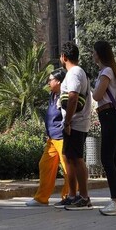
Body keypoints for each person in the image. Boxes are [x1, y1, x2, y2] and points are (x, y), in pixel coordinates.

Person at [91, 40, 116, 216]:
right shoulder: (108, 71)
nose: (92, 55)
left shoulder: (106, 71)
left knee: (107, 158)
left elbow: (98, 95)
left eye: (94, 52)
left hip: (109, 116)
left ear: (99, 53)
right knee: (115, 158)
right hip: (109, 116)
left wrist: (93, 90)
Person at [54, 42, 93, 211]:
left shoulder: (75, 72)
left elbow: (73, 97)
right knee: (69, 158)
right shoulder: (73, 73)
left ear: (64, 57)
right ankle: (72, 196)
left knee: (76, 158)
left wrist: (68, 121)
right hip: (71, 122)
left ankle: (84, 197)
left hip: (76, 122)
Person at [26, 68, 70, 206]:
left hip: (62, 137)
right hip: (52, 138)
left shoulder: (65, 95)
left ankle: (68, 197)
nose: (48, 82)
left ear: (58, 81)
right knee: (44, 165)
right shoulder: (52, 94)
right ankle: (41, 198)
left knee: (68, 169)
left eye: (50, 80)